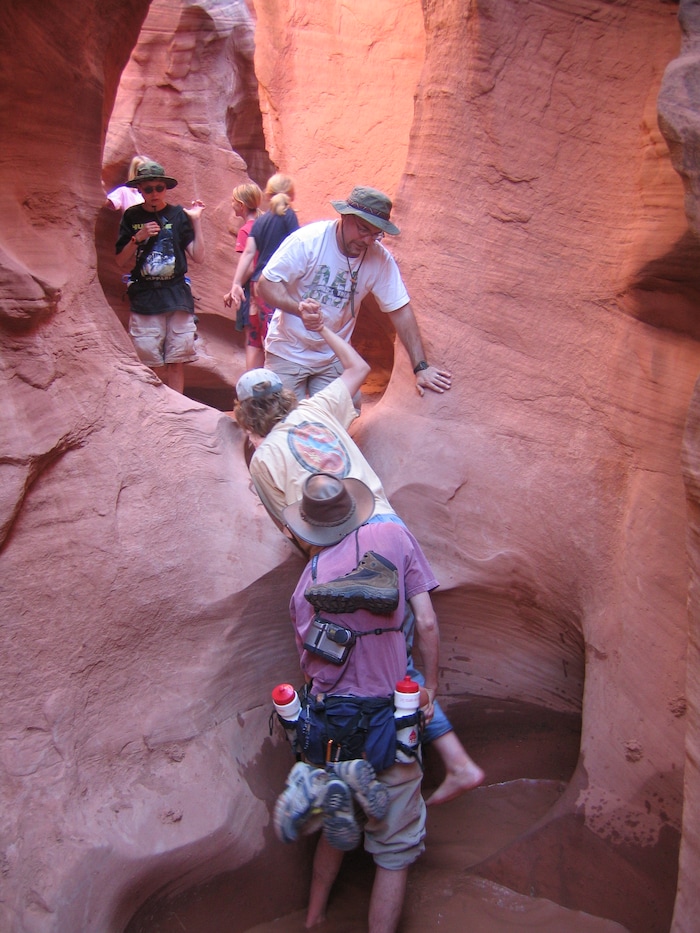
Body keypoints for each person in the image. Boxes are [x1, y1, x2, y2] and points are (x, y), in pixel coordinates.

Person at [234, 323, 483, 805]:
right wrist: (322, 326)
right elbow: (359, 369)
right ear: (282, 397)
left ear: (247, 415)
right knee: (399, 654)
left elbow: (290, 528)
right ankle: (452, 761)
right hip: (388, 528)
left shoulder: (263, 461)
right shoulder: (316, 408)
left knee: (358, 672)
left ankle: (373, 784)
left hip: (336, 560)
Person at [275, 471, 439, 932]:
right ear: (352, 508)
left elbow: (311, 662)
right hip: (389, 717)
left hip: (329, 723)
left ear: (311, 526)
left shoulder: (304, 583)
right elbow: (425, 623)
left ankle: (313, 917)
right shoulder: (393, 535)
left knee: (337, 816)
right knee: (394, 850)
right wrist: (433, 691)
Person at [254, 184, 452, 401]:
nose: (367, 240)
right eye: (363, 229)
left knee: (340, 418)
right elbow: (266, 285)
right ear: (344, 217)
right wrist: (298, 308)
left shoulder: (379, 259)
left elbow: (400, 309)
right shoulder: (308, 241)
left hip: (333, 356)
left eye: (376, 234)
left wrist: (420, 367)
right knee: (282, 421)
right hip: (288, 350)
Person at [115, 160, 205, 394]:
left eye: (159, 188)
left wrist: (196, 222)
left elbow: (198, 256)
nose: (154, 194)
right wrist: (139, 237)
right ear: (140, 190)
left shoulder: (177, 215)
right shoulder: (131, 216)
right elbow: (120, 260)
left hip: (176, 295)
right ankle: (158, 411)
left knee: (176, 360)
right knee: (150, 362)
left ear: (165, 189)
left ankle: (177, 411)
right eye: (148, 189)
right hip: (145, 296)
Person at [224, 173, 299, 370]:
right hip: (275, 285)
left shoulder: (261, 221)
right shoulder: (289, 217)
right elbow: (296, 249)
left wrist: (236, 284)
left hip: (257, 285)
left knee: (255, 339)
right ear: (291, 195)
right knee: (274, 339)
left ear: (268, 195)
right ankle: (273, 391)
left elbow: (248, 253)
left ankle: (251, 389)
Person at [223, 183, 263, 369]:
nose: (231, 204)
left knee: (252, 339)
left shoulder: (246, 230)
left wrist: (235, 286)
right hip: (267, 289)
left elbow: (249, 265)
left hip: (251, 291)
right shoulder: (264, 225)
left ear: (241, 204)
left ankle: (252, 384)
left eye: (233, 201)